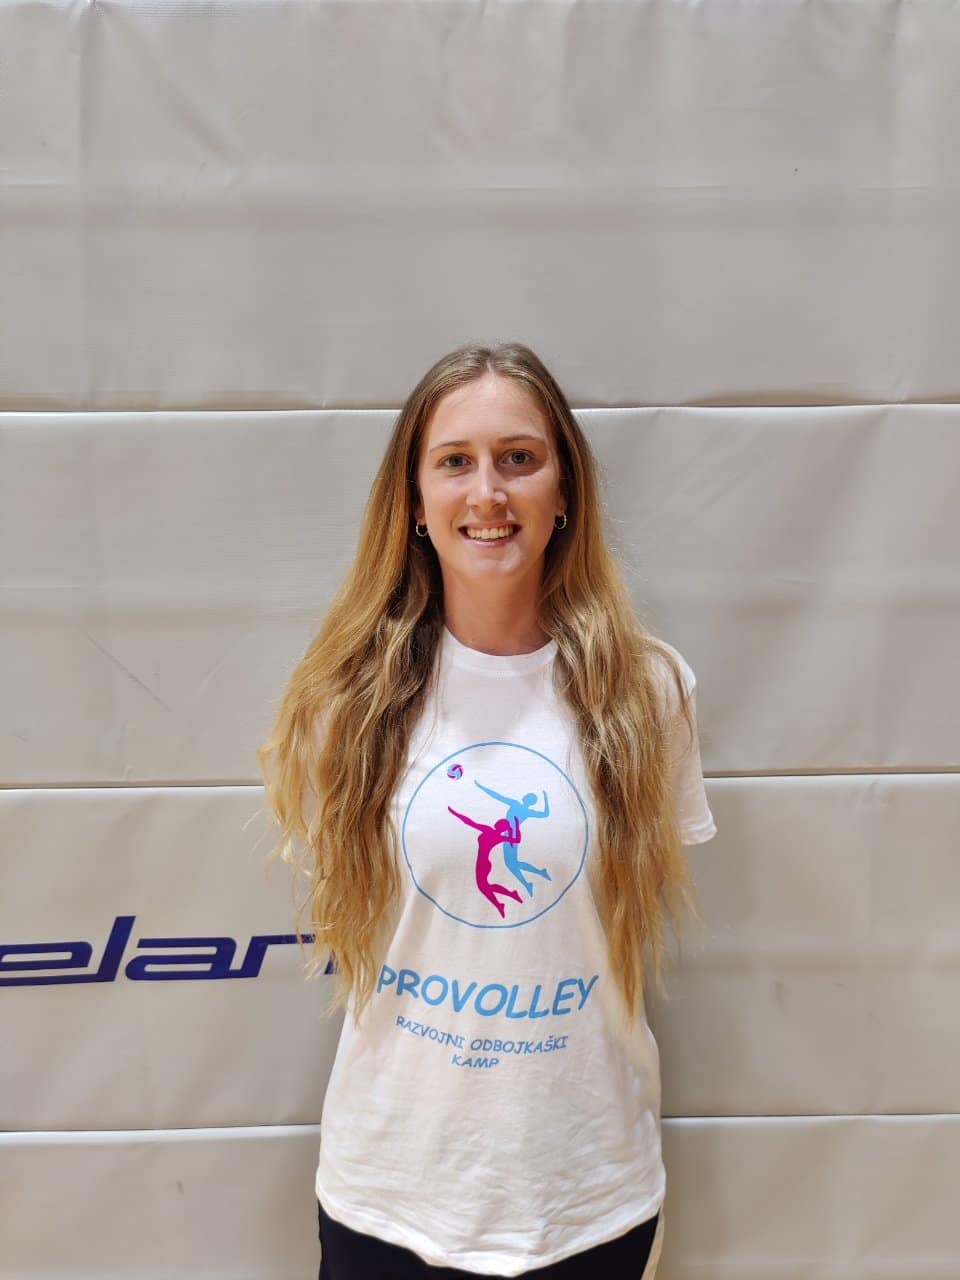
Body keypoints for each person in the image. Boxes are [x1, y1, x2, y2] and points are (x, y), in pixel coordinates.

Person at [258, 342, 717, 1279]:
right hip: (391, 1195)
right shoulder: (350, 699)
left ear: (564, 491)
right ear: (415, 502)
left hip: (587, 1195)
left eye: (519, 458)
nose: (488, 493)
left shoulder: (646, 690)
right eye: (455, 462)